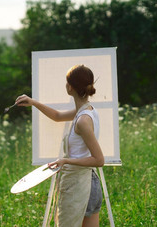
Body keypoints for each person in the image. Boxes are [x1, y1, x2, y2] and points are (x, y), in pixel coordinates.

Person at [15, 64, 104, 227]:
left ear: (69, 87)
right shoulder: (87, 111)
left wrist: (66, 161)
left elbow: (99, 160)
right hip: (88, 183)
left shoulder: (83, 120)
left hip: (82, 186)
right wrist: (33, 102)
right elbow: (57, 116)